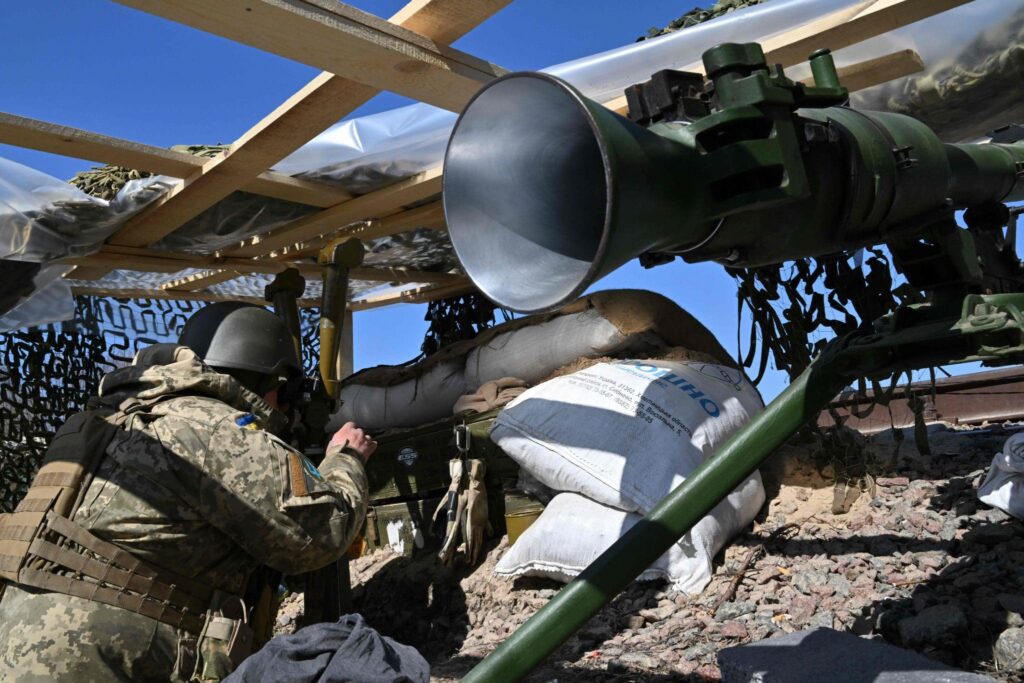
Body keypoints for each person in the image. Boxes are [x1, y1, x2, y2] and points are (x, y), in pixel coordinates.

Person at [0, 302, 376, 682]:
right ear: (268, 384)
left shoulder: (105, 419)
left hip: (20, 637)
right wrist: (345, 458)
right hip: (99, 656)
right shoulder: (213, 427)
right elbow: (320, 534)